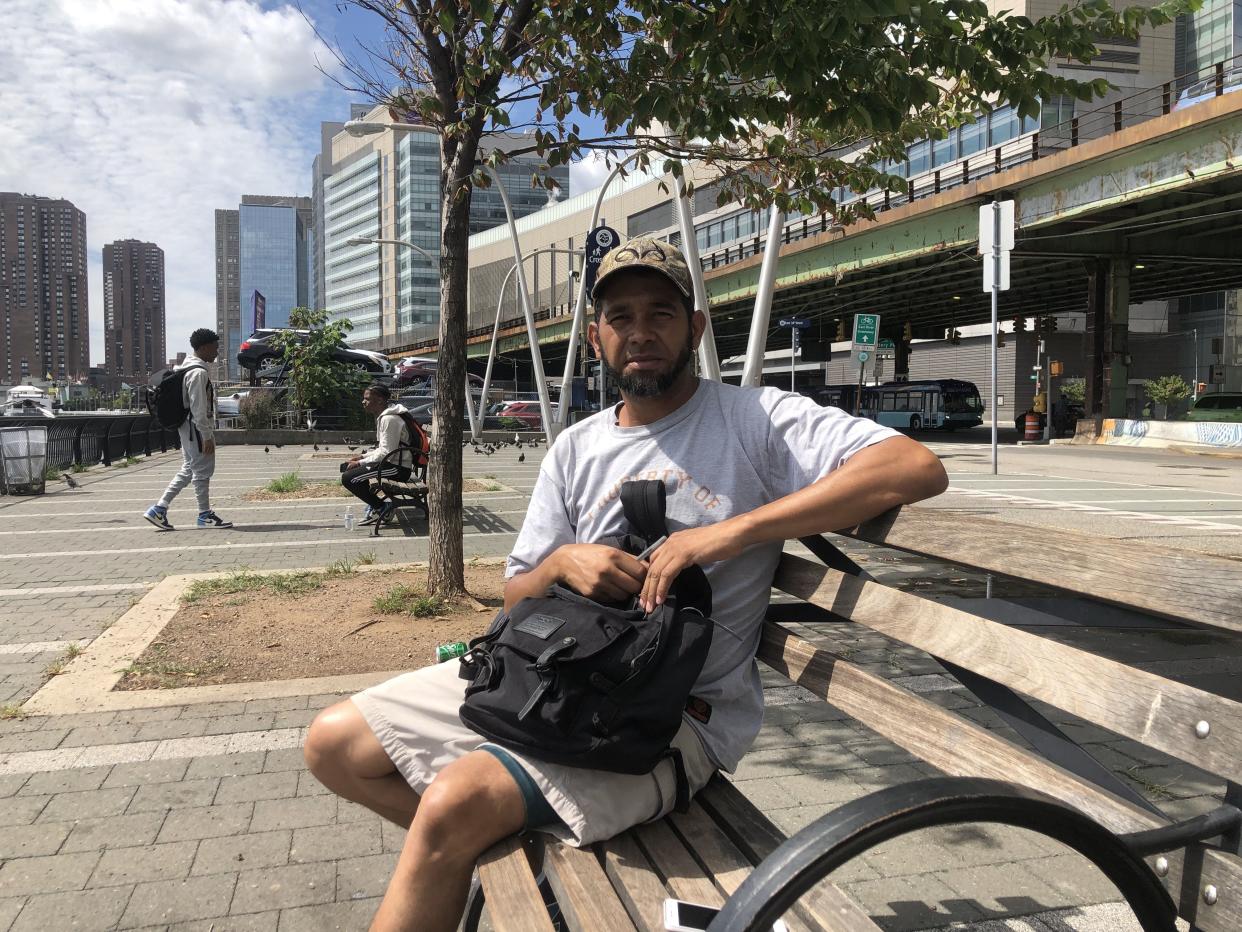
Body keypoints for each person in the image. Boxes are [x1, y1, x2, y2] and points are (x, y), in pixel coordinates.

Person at [303, 237, 949, 932]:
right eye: (620, 316)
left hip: (673, 718)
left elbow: (912, 466)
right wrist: (558, 566)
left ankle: (465, 849)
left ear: (695, 328)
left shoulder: (754, 420)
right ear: (595, 336)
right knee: (333, 744)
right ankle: (490, 853)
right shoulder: (576, 446)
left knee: (454, 803)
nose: (641, 332)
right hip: (556, 678)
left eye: (662, 313)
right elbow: (515, 598)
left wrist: (730, 532)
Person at [143, 328, 232, 530]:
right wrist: (207, 436)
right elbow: (199, 408)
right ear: (203, 347)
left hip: (187, 428)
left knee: (189, 469)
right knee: (202, 472)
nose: (217, 352)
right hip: (196, 430)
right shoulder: (198, 373)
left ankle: (159, 509)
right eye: (215, 347)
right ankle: (204, 515)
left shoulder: (185, 369)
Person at [341, 383, 416, 525]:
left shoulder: (389, 419)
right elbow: (384, 449)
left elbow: (386, 452)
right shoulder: (386, 417)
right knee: (353, 473)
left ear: (380, 400)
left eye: (367, 399)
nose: (363, 402)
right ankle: (377, 506)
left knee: (349, 478)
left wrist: (359, 463)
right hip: (391, 464)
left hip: (398, 469)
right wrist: (362, 457)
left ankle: (382, 507)